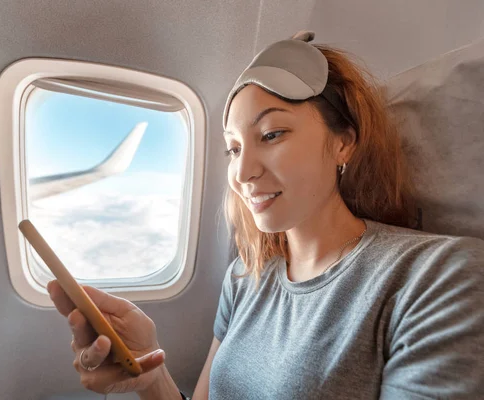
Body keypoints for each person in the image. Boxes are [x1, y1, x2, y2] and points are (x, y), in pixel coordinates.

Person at [47, 31, 484, 399]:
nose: (242, 171)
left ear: (344, 143)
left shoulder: (438, 276)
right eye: (234, 148)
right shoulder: (246, 277)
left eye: (271, 134)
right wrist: (151, 375)